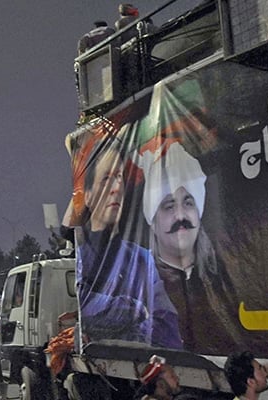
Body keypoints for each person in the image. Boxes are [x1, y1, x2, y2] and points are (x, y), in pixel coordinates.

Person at [77, 139, 182, 348]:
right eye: (106, 179)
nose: (116, 187)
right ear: (88, 196)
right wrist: (136, 310)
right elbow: (86, 310)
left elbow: (168, 326)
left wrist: (126, 332)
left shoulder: (143, 259)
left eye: (119, 177)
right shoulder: (81, 260)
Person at [141, 142, 231, 353]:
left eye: (188, 203)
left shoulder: (225, 273)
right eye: (169, 206)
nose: (180, 216)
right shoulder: (143, 284)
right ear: (153, 223)